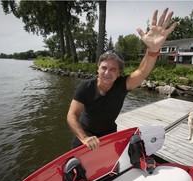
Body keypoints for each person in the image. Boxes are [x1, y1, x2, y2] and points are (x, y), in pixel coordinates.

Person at [67, 8, 177, 150]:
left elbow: (142, 71)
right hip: (84, 135)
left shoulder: (122, 85)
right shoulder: (85, 87)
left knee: (108, 169)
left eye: (113, 70)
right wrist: (84, 138)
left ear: (119, 73)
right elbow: (72, 115)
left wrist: (153, 49)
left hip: (109, 135)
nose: (107, 72)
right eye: (104, 68)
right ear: (98, 69)